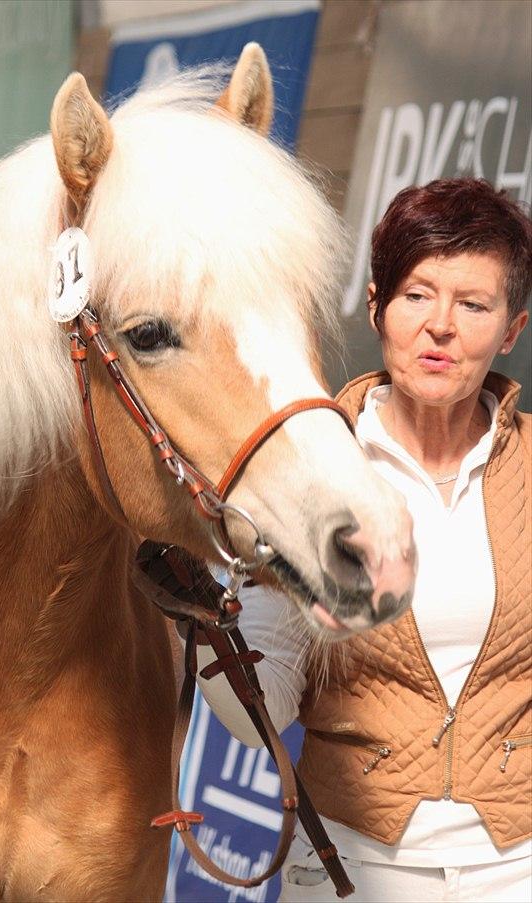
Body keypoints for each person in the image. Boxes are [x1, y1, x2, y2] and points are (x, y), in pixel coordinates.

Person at [195, 178, 531, 902]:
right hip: (352, 865)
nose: (440, 325)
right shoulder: (304, 475)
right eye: (417, 294)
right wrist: (204, 620)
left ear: (511, 329)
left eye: (473, 304)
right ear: (376, 305)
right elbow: (264, 711)